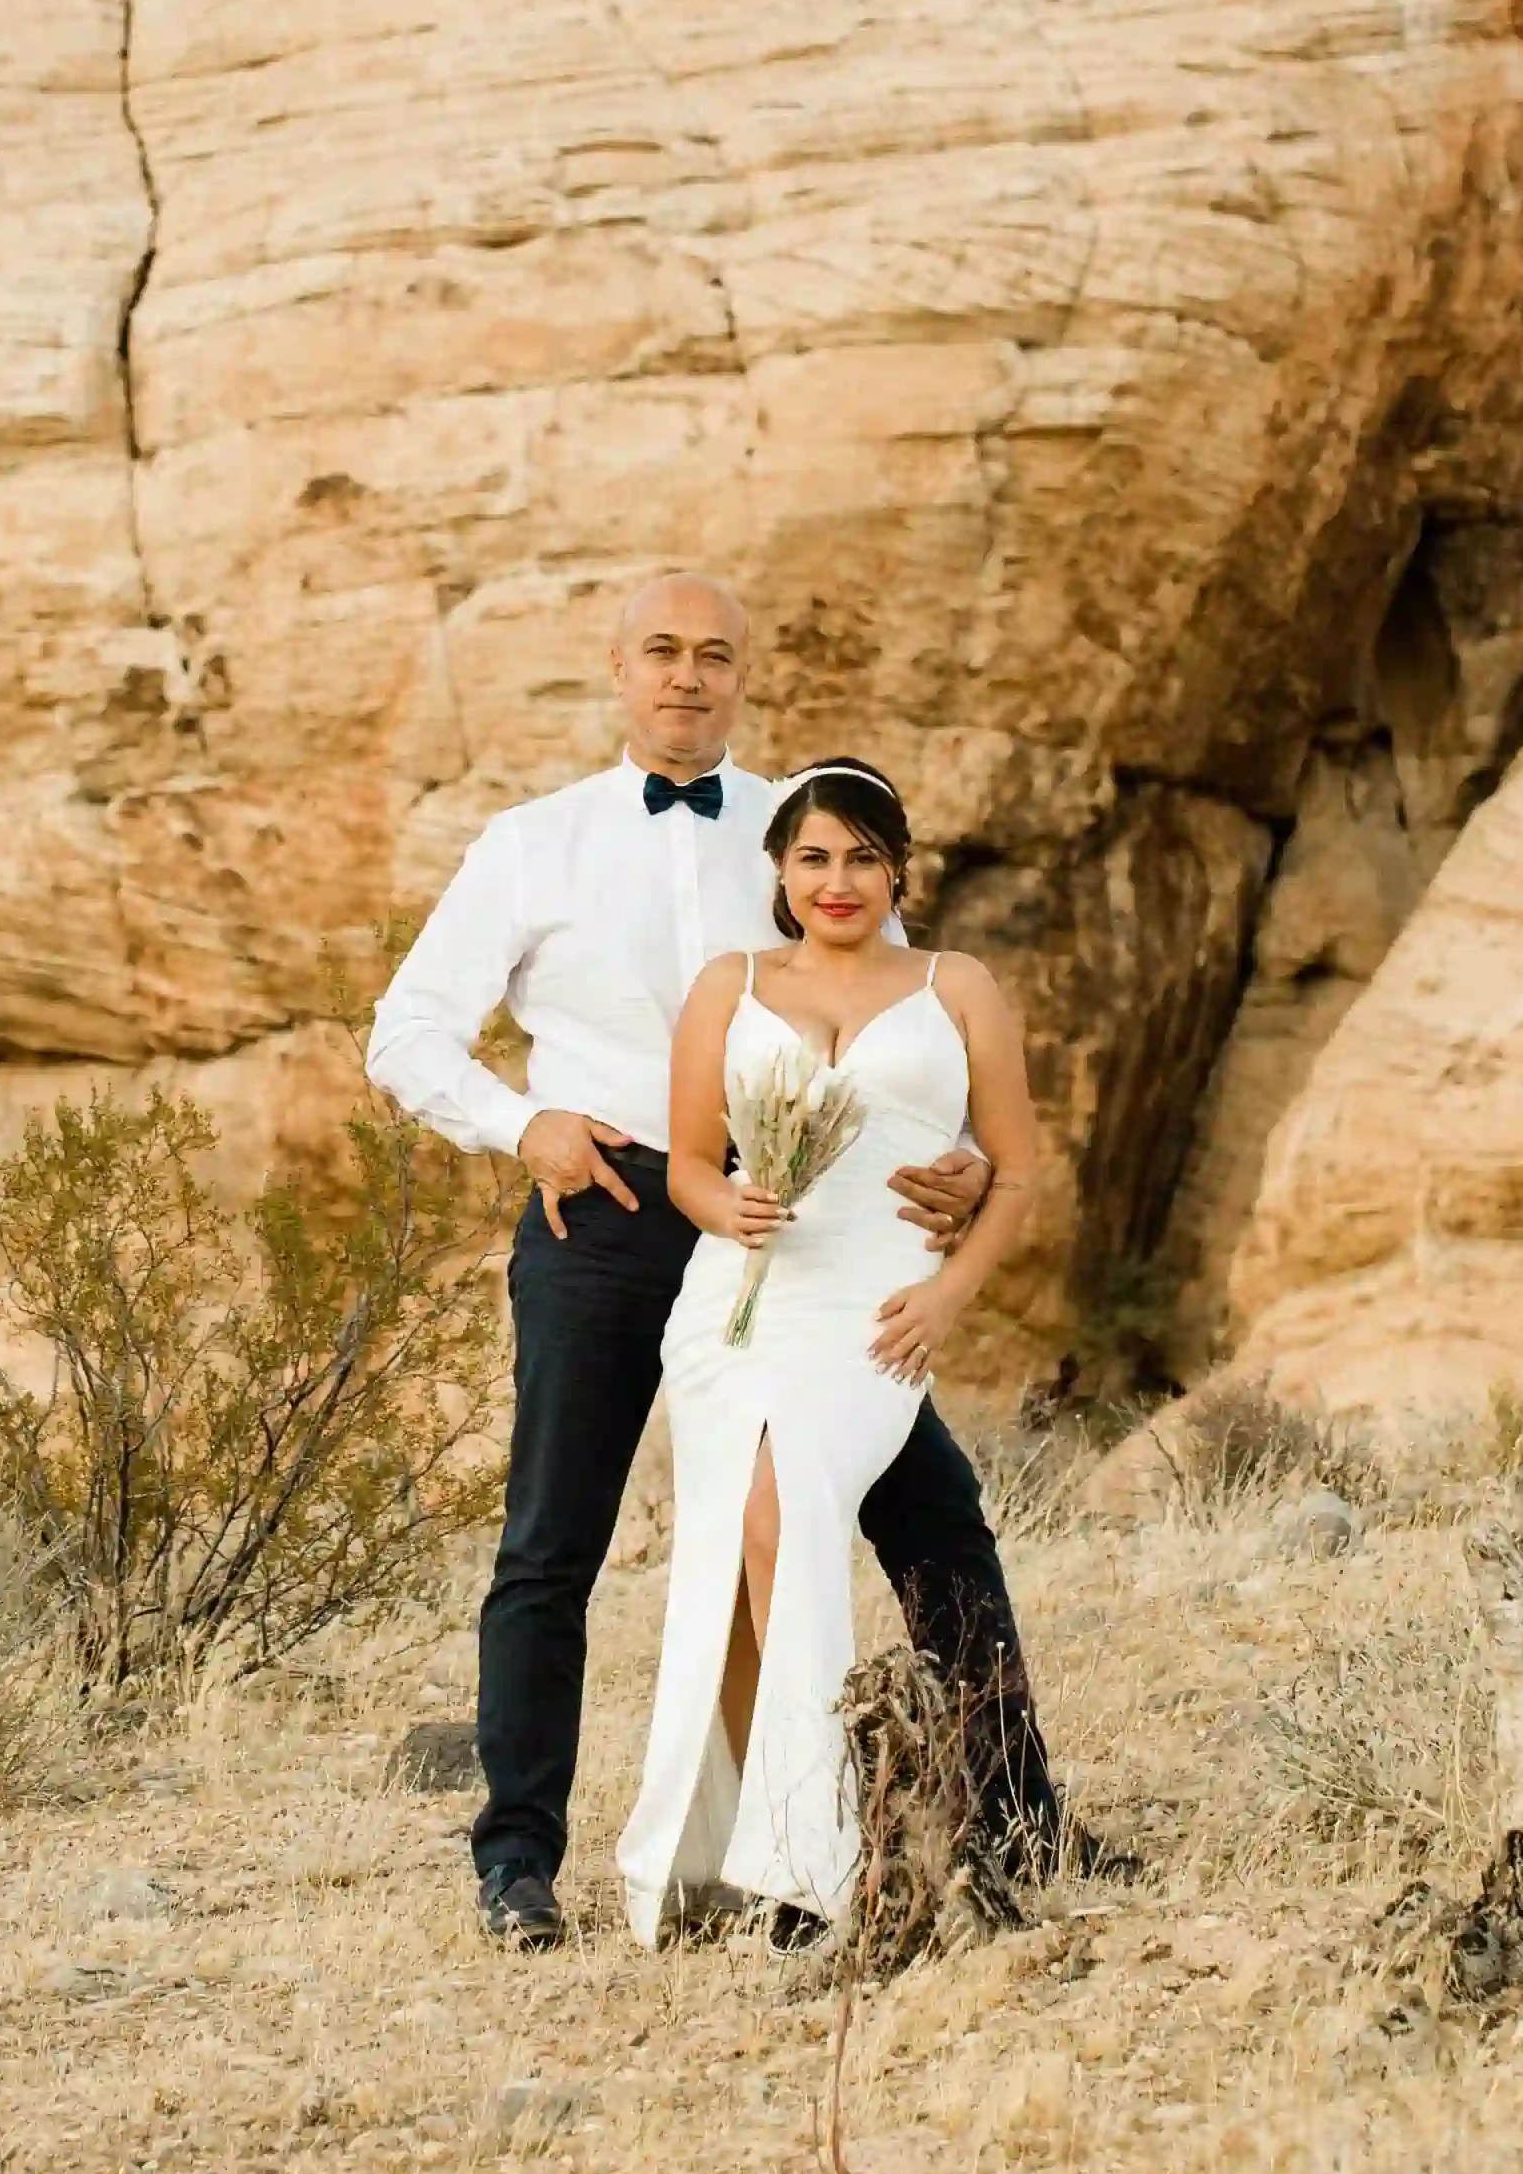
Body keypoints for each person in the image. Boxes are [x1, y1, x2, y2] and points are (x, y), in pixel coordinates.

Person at [365, 570, 1091, 1952]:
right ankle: (517, 1858)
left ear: (743, 675)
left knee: (931, 1514)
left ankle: (1019, 1812)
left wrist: (963, 1161)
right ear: (618, 669)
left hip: (794, 1235)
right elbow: (406, 1033)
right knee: (551, 1543)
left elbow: (891, 1025)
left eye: (713, 656)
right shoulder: (534, 843)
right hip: (607, 1209)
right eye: (661, 653)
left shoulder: (801, 832)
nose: (687, 677)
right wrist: (525, 1124)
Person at [618, 760, 1042, 1945]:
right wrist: (724, 1211)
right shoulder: (729, 986)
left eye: (861, 857)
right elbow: (692, 1165)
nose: (837, 880)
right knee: (746, 1543)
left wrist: (951, 1297)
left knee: (787, 1520)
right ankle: (779, 1854)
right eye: (813, 858)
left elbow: (1019, 1166)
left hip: (875, 1311)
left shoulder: (958, 987)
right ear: (779, 873)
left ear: (898, 867)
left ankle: (816, 1851)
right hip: (741, 1303)